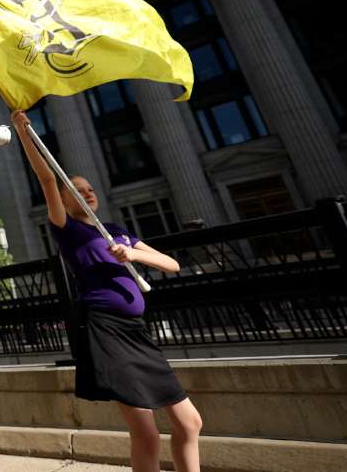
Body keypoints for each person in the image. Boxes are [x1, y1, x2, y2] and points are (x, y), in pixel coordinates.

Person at [12, 110, 203, 472]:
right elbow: (46, 178)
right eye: (77, 191)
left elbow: (172, 264)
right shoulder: (67, 229)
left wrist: (131, 252)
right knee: (146, 433)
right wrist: (24, 133)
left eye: (90, 189)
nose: (87, 194)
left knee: (190, 422)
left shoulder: (115, 230)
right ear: (67, 201)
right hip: (106, 330)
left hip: (138, 334)